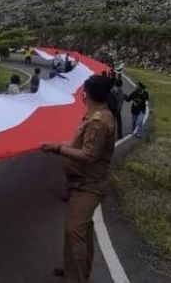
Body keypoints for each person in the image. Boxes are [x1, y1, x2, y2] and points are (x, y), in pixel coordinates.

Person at [42, 75, 116, 283]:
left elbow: (88, 155)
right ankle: (76, 270)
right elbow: (77, 144)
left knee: (74, 231)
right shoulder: (95, 115)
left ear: (87, 94)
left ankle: (75, 278)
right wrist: (59, 144)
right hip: (81, 182)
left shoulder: (98, 122)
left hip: (89, 185)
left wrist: (57, 149)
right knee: (80, 230)